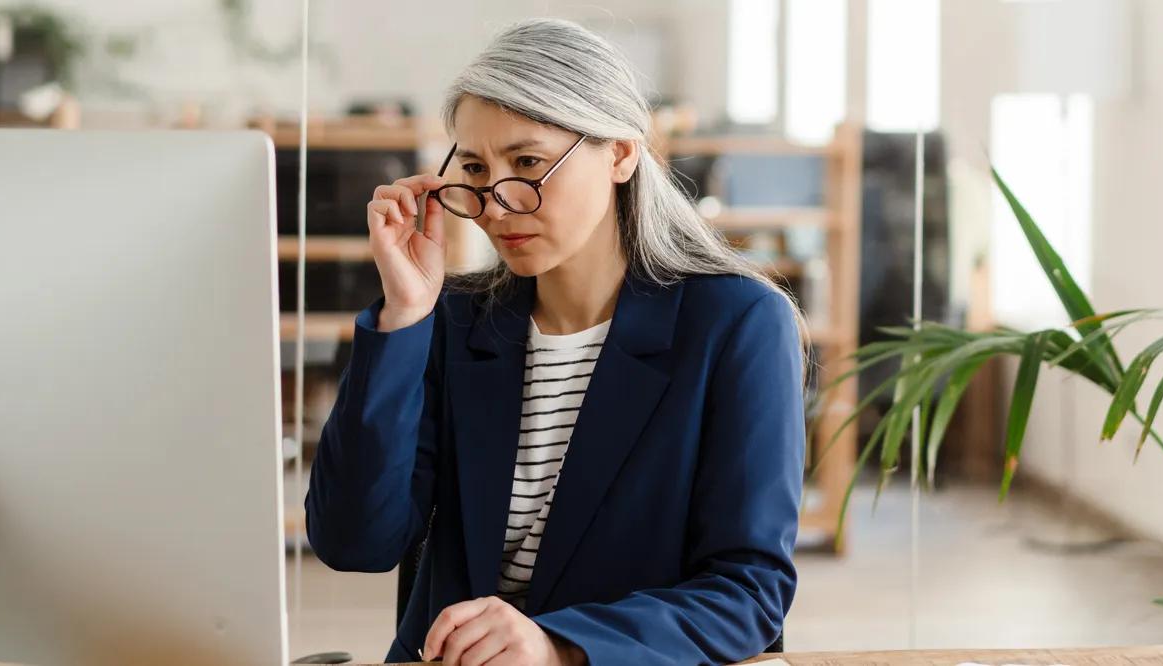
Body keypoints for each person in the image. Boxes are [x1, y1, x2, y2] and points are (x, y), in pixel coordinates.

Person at [303, 18, 806, 666]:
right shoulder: (453, 320)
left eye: (529, 163)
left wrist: (560, 646)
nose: (496, 204)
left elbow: (748, 592)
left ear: (622, 153)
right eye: (476, 169)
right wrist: (405, 313)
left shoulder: (737, 325)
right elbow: (353, 542)